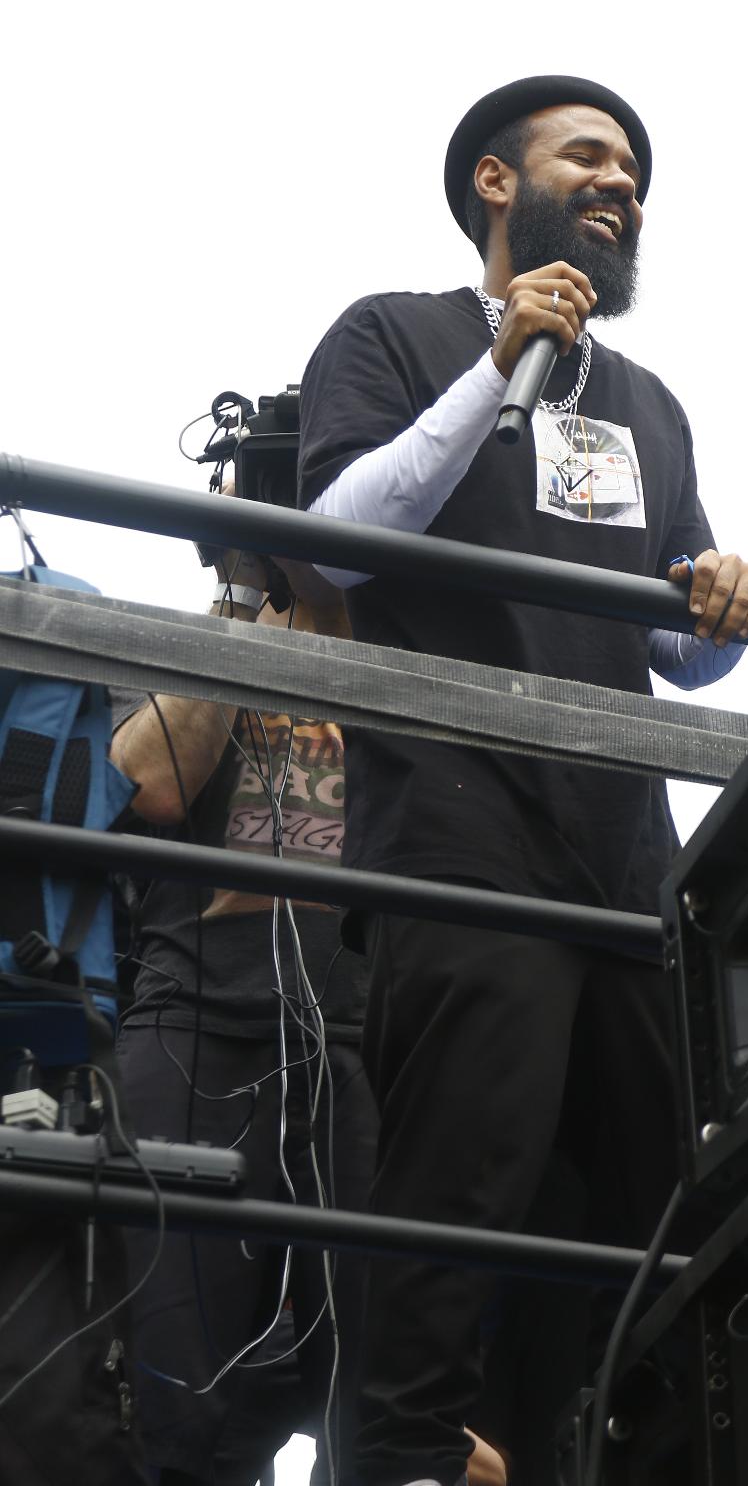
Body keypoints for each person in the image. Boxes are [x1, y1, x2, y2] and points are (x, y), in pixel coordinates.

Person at [296, 74, 748, 1486]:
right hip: (458, 825)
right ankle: (403, 1458)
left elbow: (677, 649)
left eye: (634, 171)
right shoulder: (392, 333)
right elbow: (335, 541)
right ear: (497, 182)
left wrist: (721, 598)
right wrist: (496, 358)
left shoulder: (647, 404)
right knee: (458, 1183)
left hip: (624, 860)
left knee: (665, 1204)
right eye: (589, 156)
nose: (622, 183)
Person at [109, 538, 376, 1486]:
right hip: (193, 1026)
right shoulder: (192, 637)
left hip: (362, 1042)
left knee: (376, 1396)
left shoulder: (403, 642)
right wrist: (240, 594)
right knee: (171, 1394)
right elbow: (152, 782)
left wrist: (344, 587)